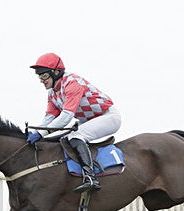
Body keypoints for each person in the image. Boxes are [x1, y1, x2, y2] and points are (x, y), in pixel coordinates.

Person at [27, 53, 122, 193]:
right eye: (39, 76)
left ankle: (91, 178)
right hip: (92, 120)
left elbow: (66, 116)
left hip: (108, 116)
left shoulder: (72, 83)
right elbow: (49, 117)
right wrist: (36, 132)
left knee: (75, 136)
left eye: (44, 76)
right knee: (64, 138)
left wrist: (41, 133)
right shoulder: (52, 93)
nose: (41, 80)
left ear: (56, 72)